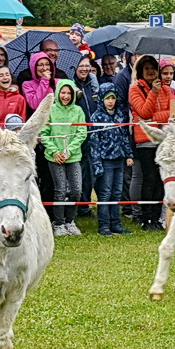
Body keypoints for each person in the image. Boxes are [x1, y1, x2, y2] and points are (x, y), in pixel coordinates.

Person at [130, 54, 175, 231]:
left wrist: (155, 117)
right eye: (147, 69)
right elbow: (143, 113)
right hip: (145, 140)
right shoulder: (135, 89)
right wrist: (154, 92)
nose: (151, 72)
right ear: (141, 71)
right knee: (148, 178)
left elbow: (172, 113)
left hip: (164, 139)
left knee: (161, 179)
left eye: (153, 68)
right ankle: (146, 218)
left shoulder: (167, 89)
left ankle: (157, 218)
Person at [41, 78, 87, 235]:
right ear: (58, 92)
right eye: (63, 92)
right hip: (54, 157)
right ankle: (59, 223)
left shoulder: (78, 111)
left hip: (73, 156)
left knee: (76, 190)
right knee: (60, 190)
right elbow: (44, 133)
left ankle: (70, 220)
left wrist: (68, 151)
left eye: (69, 93)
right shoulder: (51, 110)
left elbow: (82, 133)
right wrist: (55, 152)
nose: (66, 96)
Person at [87, 85, 133, 235]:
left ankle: (116, 223)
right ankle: (104, 225)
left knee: (117, 192)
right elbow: (94, 142)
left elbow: (125, 137)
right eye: (107, 98)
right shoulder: (96, 117)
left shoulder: (120, 115)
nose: (111, 101)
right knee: (105, 193)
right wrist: (97, 163)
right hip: (105, 160)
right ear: (101, 99)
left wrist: (129, 155)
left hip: (119, 159)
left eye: (113, 98)